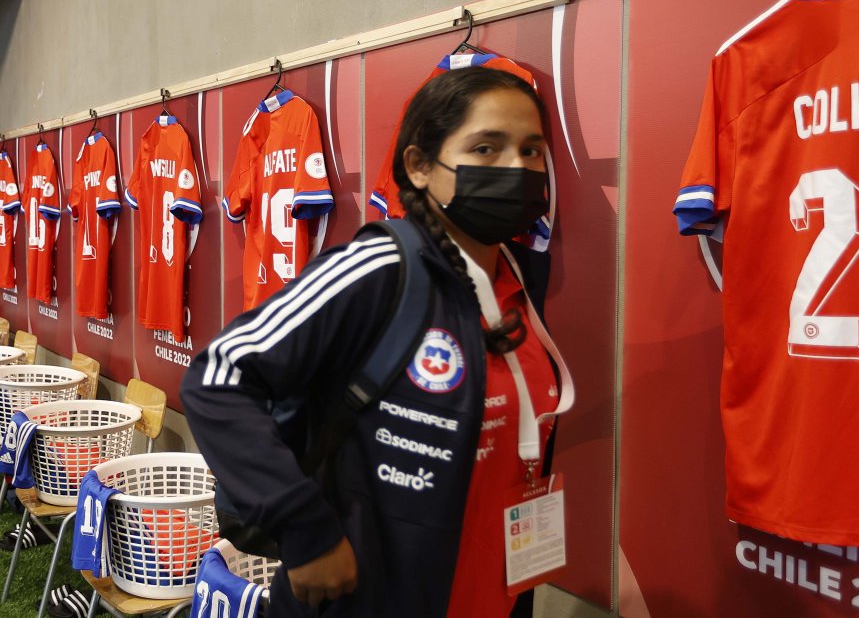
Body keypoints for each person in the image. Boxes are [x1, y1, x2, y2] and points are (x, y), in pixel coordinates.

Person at [181, 66, 573, 617]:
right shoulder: (382, 266)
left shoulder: (516, 279)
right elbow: (218, 375)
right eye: (487, 148)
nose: (517, 167)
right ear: (418, 166)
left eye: (532, 151)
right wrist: (304, 528)